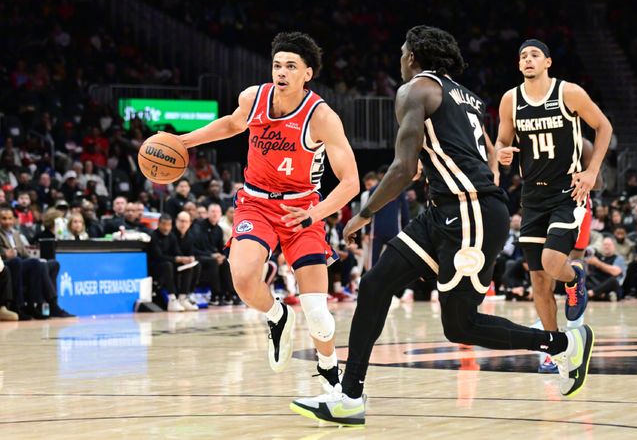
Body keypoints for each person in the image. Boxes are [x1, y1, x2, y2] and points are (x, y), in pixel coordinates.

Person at [290, 26, 594, 426]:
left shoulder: (415, 90)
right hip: (447, 208)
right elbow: (483, 152)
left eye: (403, 52)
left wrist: (365, 212)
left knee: (461, 324)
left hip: (470, 211)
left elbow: (402, 168)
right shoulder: (465, 95)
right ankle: (350, 396)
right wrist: (436, 165)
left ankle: (563, 343)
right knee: (376, 284)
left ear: (414, 56)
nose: (400, 59)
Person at [177, 32, 359, 388]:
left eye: (291, 66)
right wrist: (184, 142)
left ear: (307, 73)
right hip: (256, 203)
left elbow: (351, 182)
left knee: (317, 312)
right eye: (277, 65)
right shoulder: (253, 98)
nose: (282, 72)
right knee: (243, 278)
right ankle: (277, 315)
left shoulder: (322, 117)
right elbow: (231, 124)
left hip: (301, 209)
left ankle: (330, 374)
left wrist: (315, 214)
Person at [495, 39, 611, 373]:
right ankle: (555, 347)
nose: (527, 60)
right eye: (522, 56)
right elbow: (502, 140)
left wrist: (592, 171)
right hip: (532, 196)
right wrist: (501, 152)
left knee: (552, 262)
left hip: (567, 191)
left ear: (547, 62)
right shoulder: (510, 100)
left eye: (534, 55)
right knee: (539, 281)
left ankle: (574, 277)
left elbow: (603, 126)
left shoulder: (568, 93)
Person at [148, 214, 198, 312]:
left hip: (170, 263)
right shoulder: (153, 236)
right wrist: (176, 259)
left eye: (169, 225)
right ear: (159, 224)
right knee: (168, 265)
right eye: (164, 224)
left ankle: (183, 298)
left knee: (188, 266)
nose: (166, 227)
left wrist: (185, 259)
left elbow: (177, 252)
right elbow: (159, 256)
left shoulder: (171, 236)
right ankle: (172, 299)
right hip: (156, 266)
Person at [584, 237, 626, 301]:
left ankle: (590, 294)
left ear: (614, 246)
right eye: (605, 245)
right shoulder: (598, 257)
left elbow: (615, 272)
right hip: (598, 285)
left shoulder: (618, 258)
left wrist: (598, 263)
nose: (606, 247)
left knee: (613, 280)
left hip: (610, 285)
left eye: (609, 245)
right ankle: (604, 296)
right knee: (585, 278)